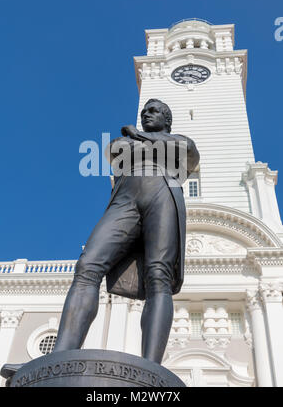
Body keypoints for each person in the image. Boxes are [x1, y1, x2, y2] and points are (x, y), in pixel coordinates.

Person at [53, 98, 200, 364]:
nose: (146, 114)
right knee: (87, 265)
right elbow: (115, 151)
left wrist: (138, 135)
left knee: (159, 275)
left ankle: (152, 366)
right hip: (125, 198)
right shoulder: (127, 142)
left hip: (163, 191)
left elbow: (186, 150)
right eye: (144, 112)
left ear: (167, 120)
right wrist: (142, 139)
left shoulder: (165, 138)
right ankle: (59, 356)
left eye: (153, 111)